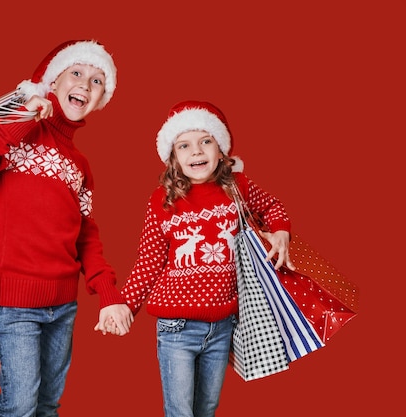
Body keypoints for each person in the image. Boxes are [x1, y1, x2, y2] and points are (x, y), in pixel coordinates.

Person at [0, 40, 133, 417]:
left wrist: (108, 294)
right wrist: (22, 115)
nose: (86, 83)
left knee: (47, 406)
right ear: (54, 80)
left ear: (101, 100)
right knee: (19, 406)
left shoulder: (80, 164)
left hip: (64, 305)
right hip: (17, 301)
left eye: (98, 81)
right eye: (77, 73)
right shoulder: (20, 133)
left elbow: (86, 234)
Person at [107, 100, 295, 417]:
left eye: (205, 141)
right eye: (184, 145)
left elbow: (274, 207)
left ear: (220, 150)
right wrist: (126, 304)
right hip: (176, 328)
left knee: (206, 408)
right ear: (173, 158)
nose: (196, 152)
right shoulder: (161, 200)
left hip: (223, 325)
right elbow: (149, 260)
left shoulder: (239, 187)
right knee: (180, 410)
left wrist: (280, 231)